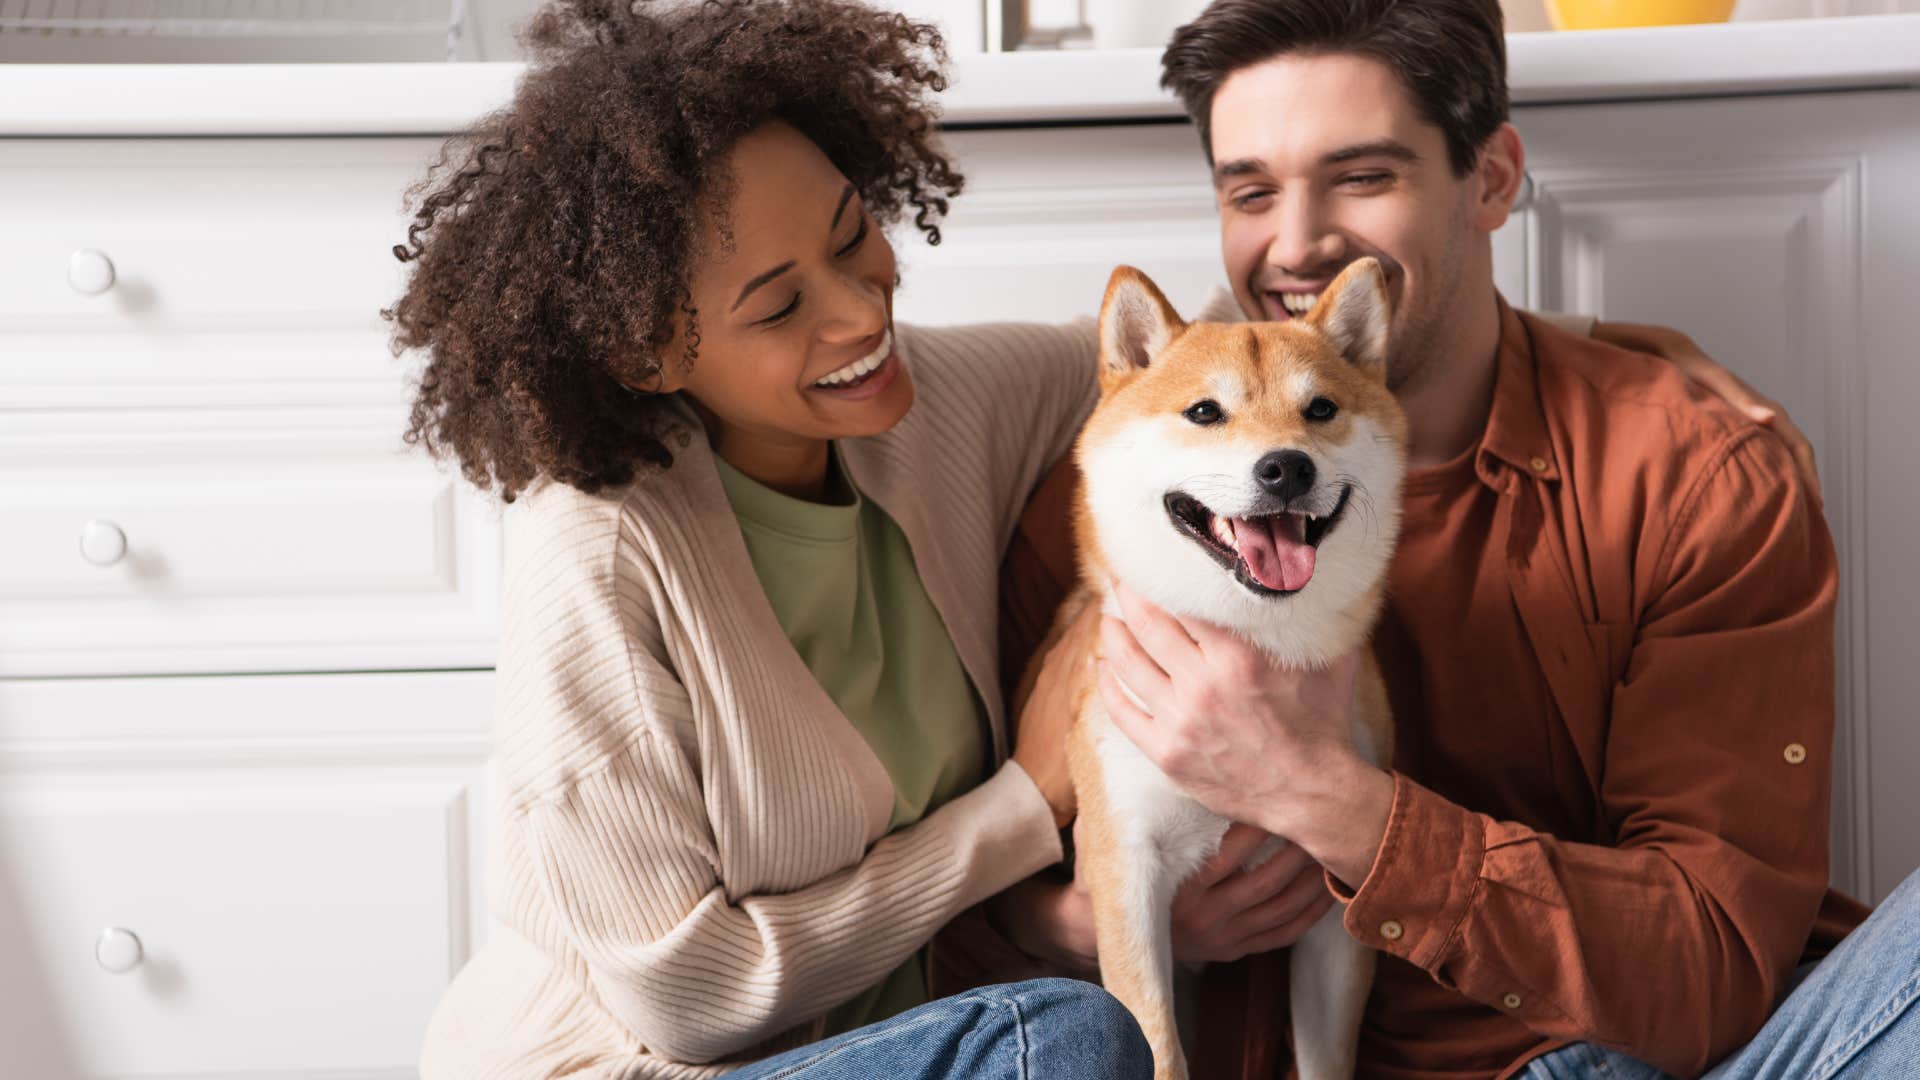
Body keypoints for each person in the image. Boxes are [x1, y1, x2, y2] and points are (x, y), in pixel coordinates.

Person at [384, 1, 1814, 1077]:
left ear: (1494, 179)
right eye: (776, 305)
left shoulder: (939, 402)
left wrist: (1645, 380)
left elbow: (1200, 376)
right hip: (662, 1058)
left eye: (853, 233)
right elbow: (696, 994)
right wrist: (1034, 820)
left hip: (993, 1036)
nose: (857, 312)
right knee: (1071, 1040)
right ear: (647, 356)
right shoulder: (600, 552)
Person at [993, 1, 1915, 1077]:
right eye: (1251, 190)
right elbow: (982, 915)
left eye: (1363, 177)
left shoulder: (1689, 478)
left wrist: (1328, 800)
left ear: (1492, 178)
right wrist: (1090, 924)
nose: (1296, 243)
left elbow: (1715, 959)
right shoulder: (1126, 490)